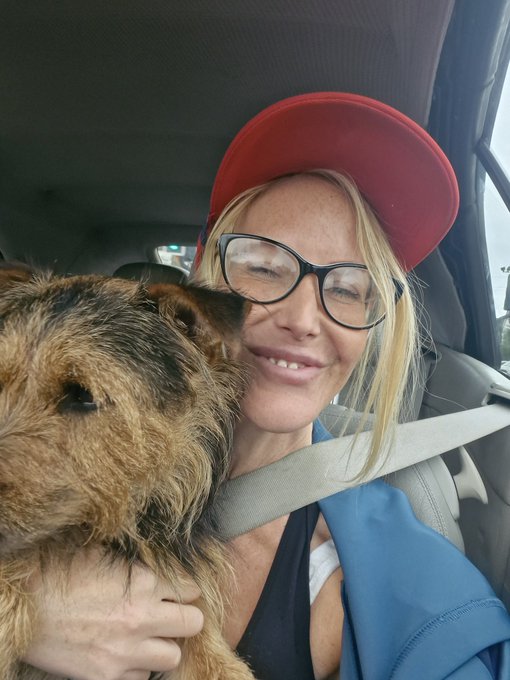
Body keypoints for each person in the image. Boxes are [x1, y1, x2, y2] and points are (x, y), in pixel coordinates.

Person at [24, 93, 510, 679]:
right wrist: (24, 614)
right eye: (262, 266)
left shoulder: (413, 588)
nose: (303, 320)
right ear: (205, 282)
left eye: (348, 287)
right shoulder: (42, 457)